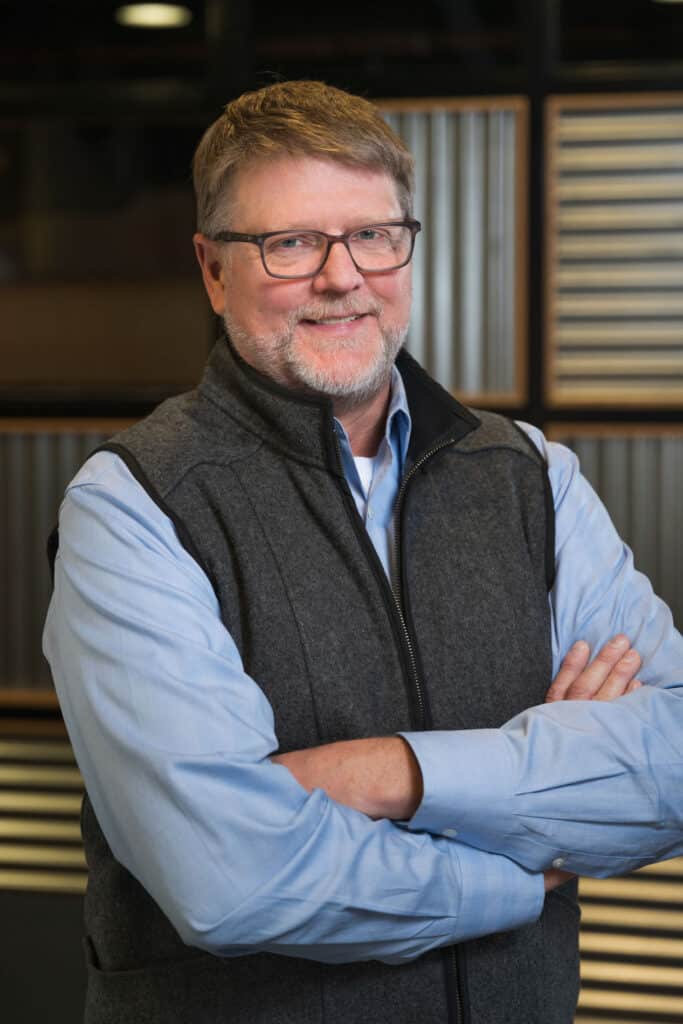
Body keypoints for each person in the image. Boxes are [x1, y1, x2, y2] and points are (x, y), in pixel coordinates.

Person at [43, 80, 683, 1024]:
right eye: (290, 243)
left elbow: (670, 762)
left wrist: (387, 774)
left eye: (374, 235)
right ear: (214, 271)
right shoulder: (135, 504)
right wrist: (523, 857)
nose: (343, 276)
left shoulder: (528, 477)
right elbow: (230, 876)